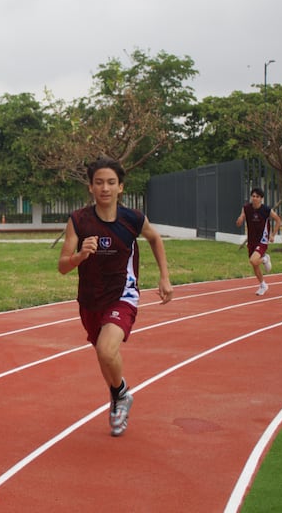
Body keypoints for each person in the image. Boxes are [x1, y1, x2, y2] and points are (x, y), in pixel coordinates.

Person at [58, 156, 173, 437]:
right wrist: (81, 255)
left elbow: (155, 238)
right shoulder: (79, 221)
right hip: (89, 300)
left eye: (111, 183)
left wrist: (164, 276)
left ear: (121, 187)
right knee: (104, 356)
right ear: (90, 187)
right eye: (99, 183)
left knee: (106, 349)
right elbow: (62, 266)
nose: (105, 188)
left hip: (123, 295)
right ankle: (118, 393)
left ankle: (120, 396)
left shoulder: (132, 219)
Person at [235, 187, 280, 296]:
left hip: (262, 240)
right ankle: (263, 285)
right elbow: (240, 220)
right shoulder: (246, 208)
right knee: (255, 266)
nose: (254, 198)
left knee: (253, 261)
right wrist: (240, 220)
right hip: (251, 241)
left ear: (261, 199)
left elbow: (278, 220)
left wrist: (273, 235)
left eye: (257, 197)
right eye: (253, 196)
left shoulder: (266, 210)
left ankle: (265, 258)